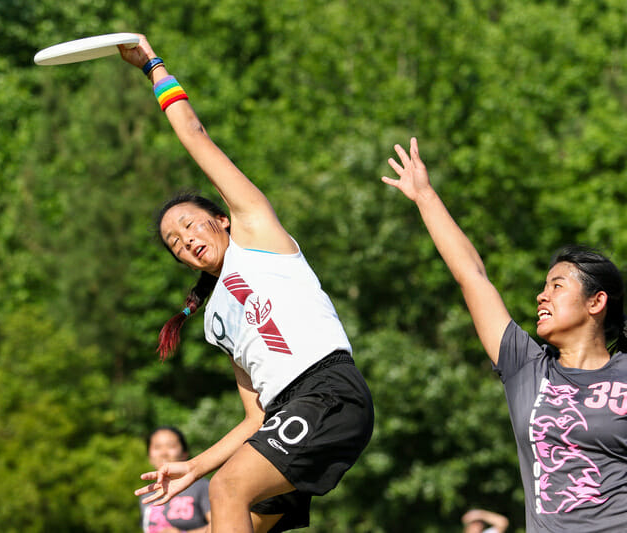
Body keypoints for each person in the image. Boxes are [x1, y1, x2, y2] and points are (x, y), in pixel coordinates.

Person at [120, 35, 374, 533]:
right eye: (174, 242)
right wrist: (195, 466)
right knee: (225, 517)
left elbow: (195, 136)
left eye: (191, 225)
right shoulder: (217, 319)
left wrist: (153, 65)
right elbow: (254, 419)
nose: (185, 240)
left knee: (228, 490)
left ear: (223, 219)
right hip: (286, 416)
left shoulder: (257, 232)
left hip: (327, 393)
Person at [383, 138, 627, 532]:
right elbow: (472, 276)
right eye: (544, 286)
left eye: (558, 286)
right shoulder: (525, 367)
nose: (541, 295)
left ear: (595, 303)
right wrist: (425, 196)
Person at [141, 427, 211, 533]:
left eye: (171, 446)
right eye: (157, 447)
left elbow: (223, 525)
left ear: (184, 453)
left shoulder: (202, 486)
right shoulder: (146, 494)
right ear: (149, 456)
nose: (163, 453)